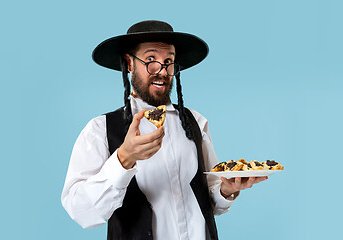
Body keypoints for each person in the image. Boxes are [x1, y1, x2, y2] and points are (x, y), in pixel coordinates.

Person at [61, 20, 267, 240]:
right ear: (129, 63)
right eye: (151, 60)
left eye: (168, 61)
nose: (161, 71)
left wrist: (228, 189)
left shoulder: (195, 122)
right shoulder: (99, 129)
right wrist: (124, 158)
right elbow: (81, 211)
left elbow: (209, 198)